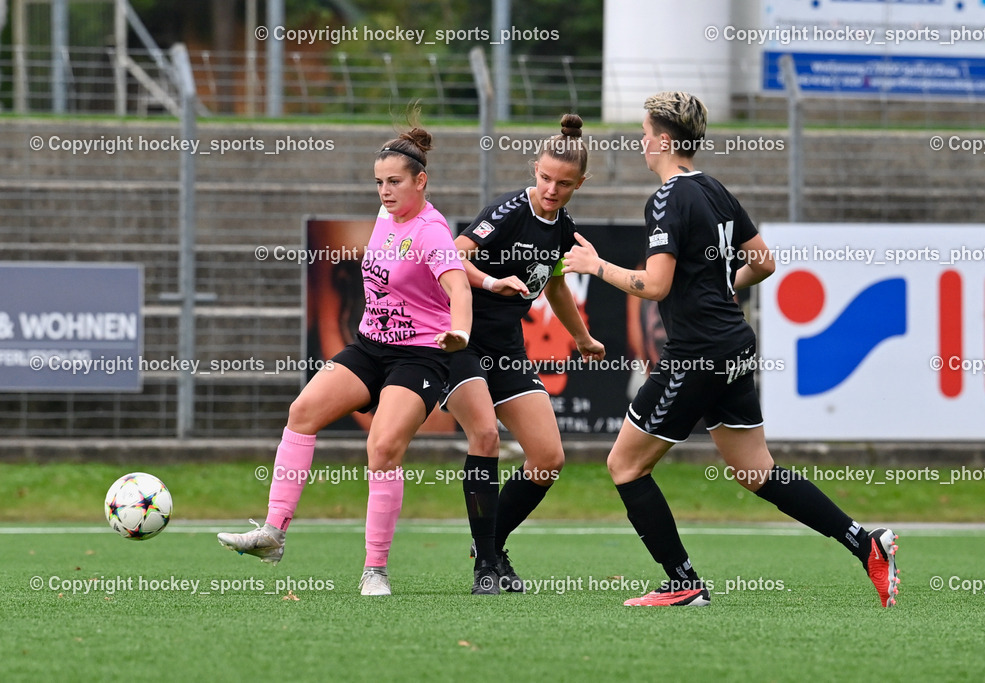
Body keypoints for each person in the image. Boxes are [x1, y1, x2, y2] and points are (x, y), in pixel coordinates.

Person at [562, 92, 899, 608]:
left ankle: (682, 582)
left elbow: (653, 286)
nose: (642, 141)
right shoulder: (715, 190)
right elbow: (762, 261)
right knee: (756, 470)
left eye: (646, 131)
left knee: (625, 465)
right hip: (734, 344)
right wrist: (722, 289)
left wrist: (596, 267)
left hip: (697, 351)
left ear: (665, 141)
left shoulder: (668, 198)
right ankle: (864, 542)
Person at [217, 123, 472, 597]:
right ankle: (272, 534)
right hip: (370, 346)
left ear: (421, 181)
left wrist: (459, 331)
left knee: (382, 448)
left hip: (419, 357)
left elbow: (457, 285)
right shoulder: (385, 214)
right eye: (379, 182)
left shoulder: (431, 231)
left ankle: (375, 569)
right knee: (302, 412)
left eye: (395, 181)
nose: (385, 190)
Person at [440, 114, 606, 594]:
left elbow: (554, 284)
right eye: (546, 178)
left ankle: (489, 544)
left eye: (564, 183)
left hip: (507, 348)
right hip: (463, 339)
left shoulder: (563, 225)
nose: (552, 189)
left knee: (548, 458)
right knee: (486, 436)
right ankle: (487, 565)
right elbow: (453, 256)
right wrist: (493, 281)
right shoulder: (510, 211)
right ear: (535, 169)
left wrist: (581, 337)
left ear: (580, 183)